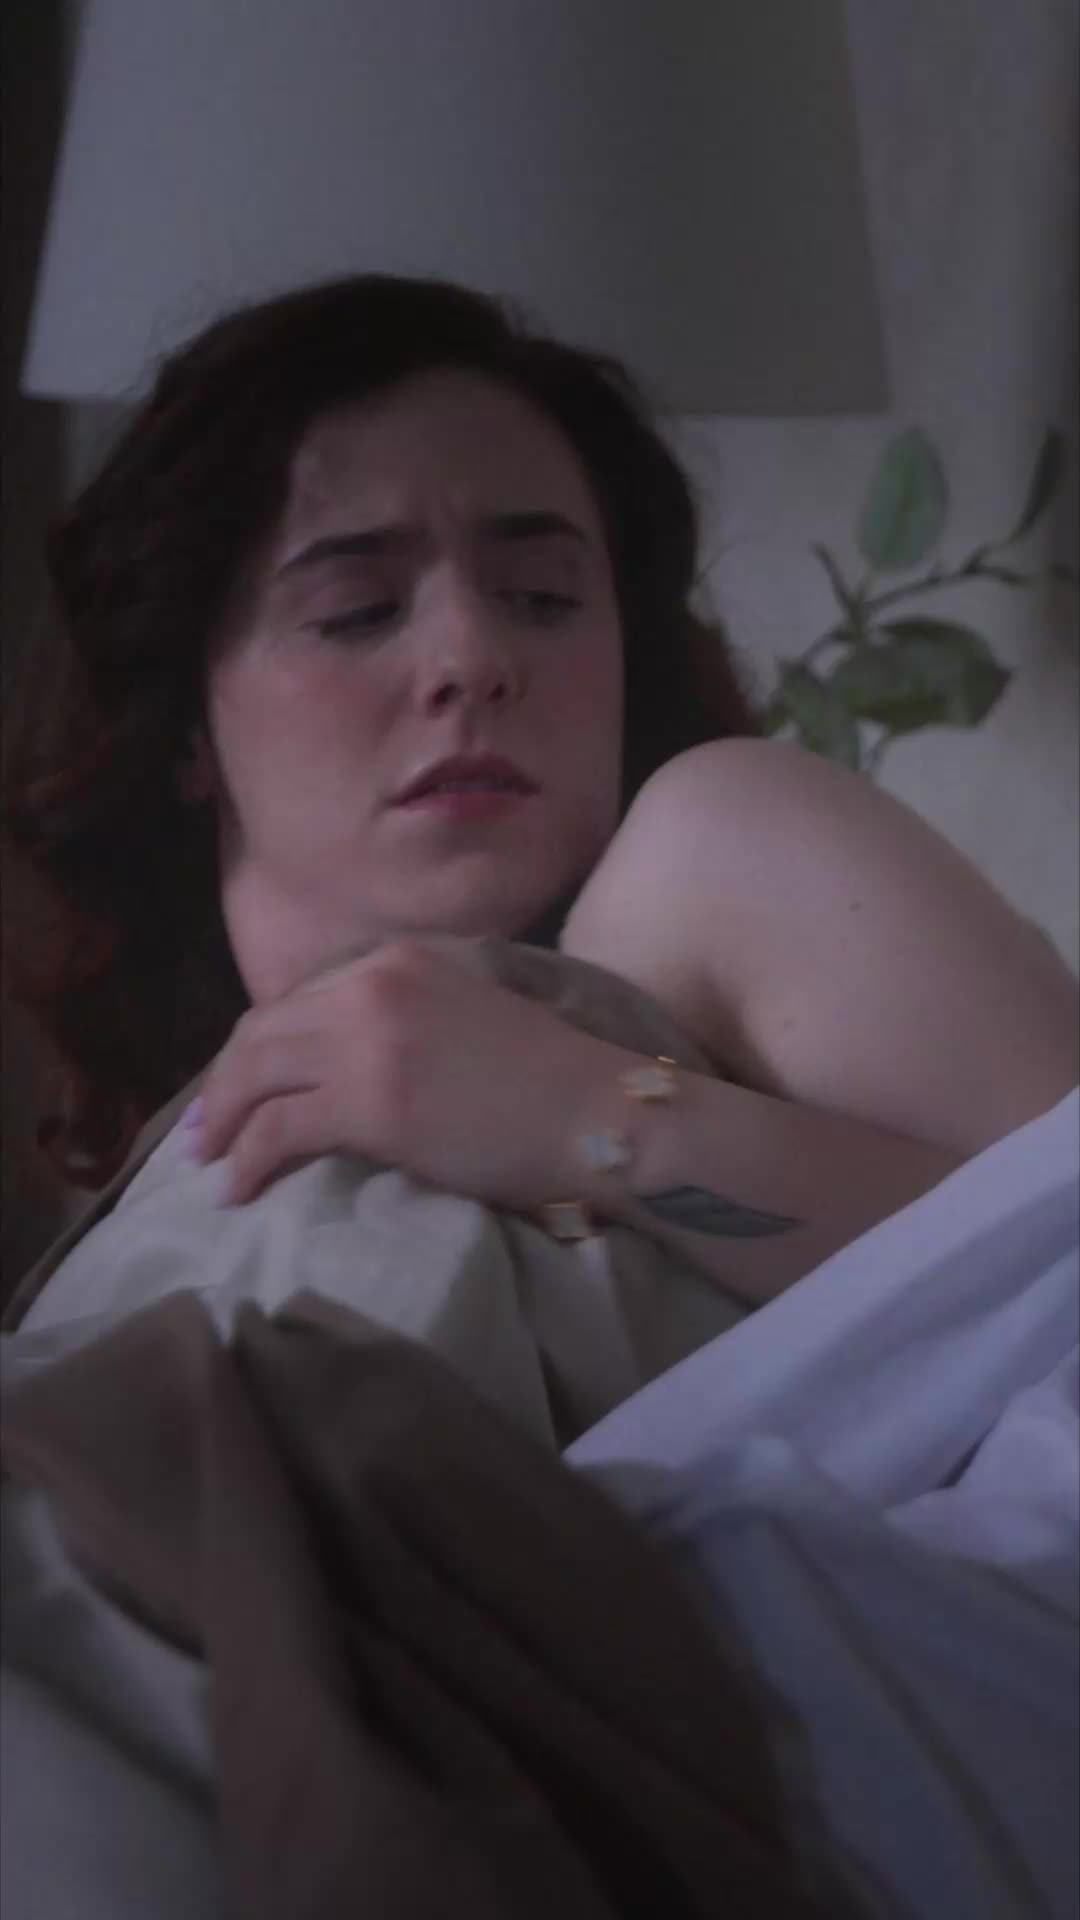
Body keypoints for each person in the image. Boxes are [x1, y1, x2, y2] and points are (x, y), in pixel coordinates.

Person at [4, 273, 1076, 1313]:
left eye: (541, 596)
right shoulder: (172, 1155)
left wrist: (587, 1120)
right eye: (358, 609)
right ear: (185, 724)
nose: (471, 658)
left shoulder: (712, 846)